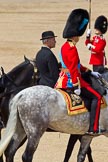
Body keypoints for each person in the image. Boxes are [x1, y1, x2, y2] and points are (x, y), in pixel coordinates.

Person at [55, 8, 106, 135]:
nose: (79, 37)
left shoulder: (65, 46)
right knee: (97, 97)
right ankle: (93, 128)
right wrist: (76, 85)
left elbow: (76, 65)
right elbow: (73, 68)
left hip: (62, 79)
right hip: (71, 81)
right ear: (74, 35)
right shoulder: (71, 49)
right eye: (78, 35)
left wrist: (88, 71)